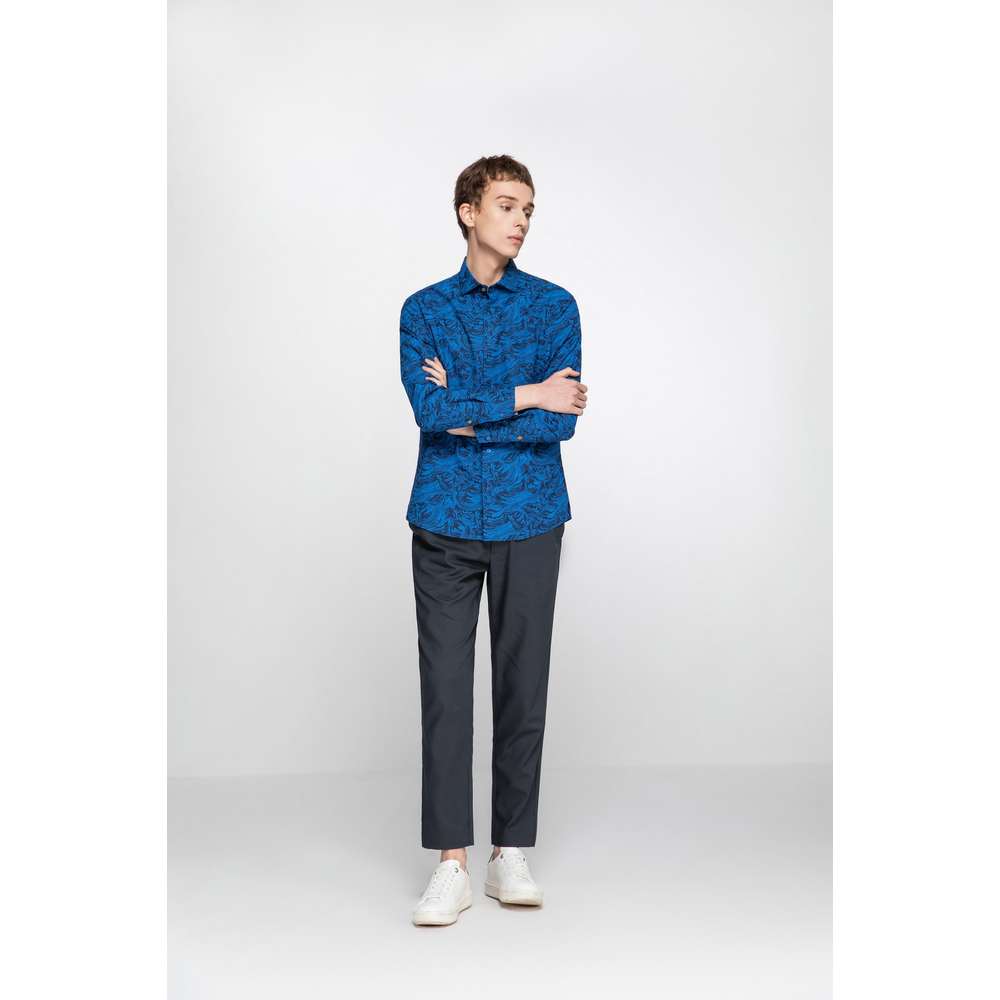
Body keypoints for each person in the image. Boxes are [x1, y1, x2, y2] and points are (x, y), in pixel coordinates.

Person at [400, 154, 588, 926]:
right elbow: (429, 412)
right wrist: (527, 393)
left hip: (530, 516)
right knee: (445, 693)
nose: (521, 220)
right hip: (444, 521)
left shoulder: (554, 307)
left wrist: (474, 410)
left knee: (522, 686)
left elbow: (560, 423)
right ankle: (452, 863)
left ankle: (511, 851)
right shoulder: (423, 310)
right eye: (508, 205)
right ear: (468, 211)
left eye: (529, 209)